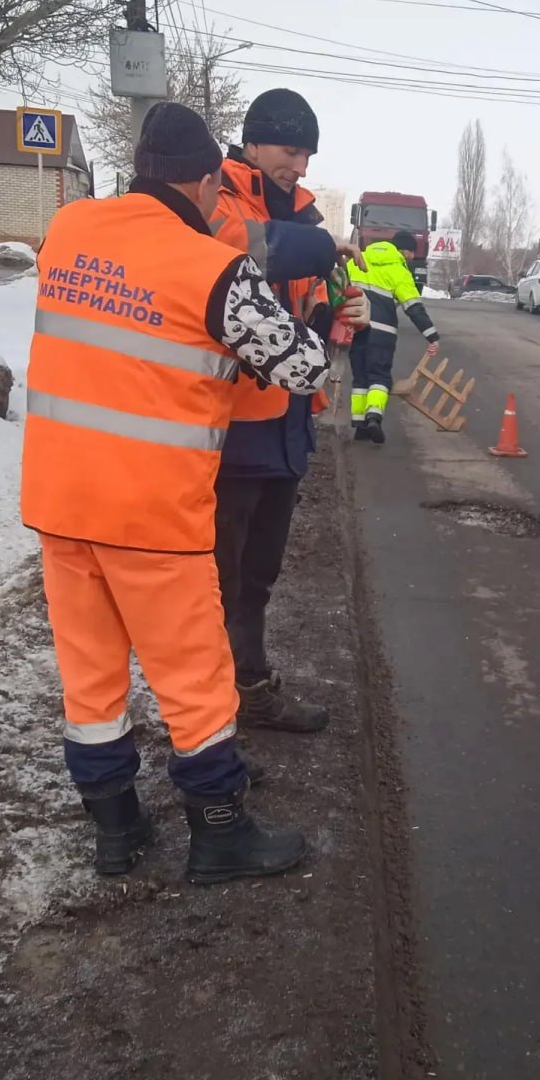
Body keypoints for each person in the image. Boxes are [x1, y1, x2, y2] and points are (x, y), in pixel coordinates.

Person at [20, 102, 331, 884]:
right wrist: (322, 323)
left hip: (60, 505)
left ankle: (116, 830)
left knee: (90, 677)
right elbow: (303, 368)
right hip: (152, 516)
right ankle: (219, 831)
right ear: (200, 183)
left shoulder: (69, 233)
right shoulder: (208, 266)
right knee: (195, 682)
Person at [210, 88, 369, 734]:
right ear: (251, 143)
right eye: (288, 149)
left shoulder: (304, 219)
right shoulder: (214, 198)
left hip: (287, 426)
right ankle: (211, 721)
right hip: (230, 425)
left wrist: (340, 318)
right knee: (217, 583)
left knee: (259, 576)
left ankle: (249, 692)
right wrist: (324, 247)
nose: (299, 165)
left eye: (306, 153)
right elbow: (240, 249)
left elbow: (320, 312)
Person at [347, 231, 440, 444]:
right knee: (379, 377)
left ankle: (360, 427)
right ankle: (374, 417)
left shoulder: (357, 260)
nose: (410, 258)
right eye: (410, 253)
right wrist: (431, 335)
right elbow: (413, 307)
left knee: (360, 377)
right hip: (382, 333)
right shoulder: (398, 270)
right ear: (402, 250)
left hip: (356, 329)